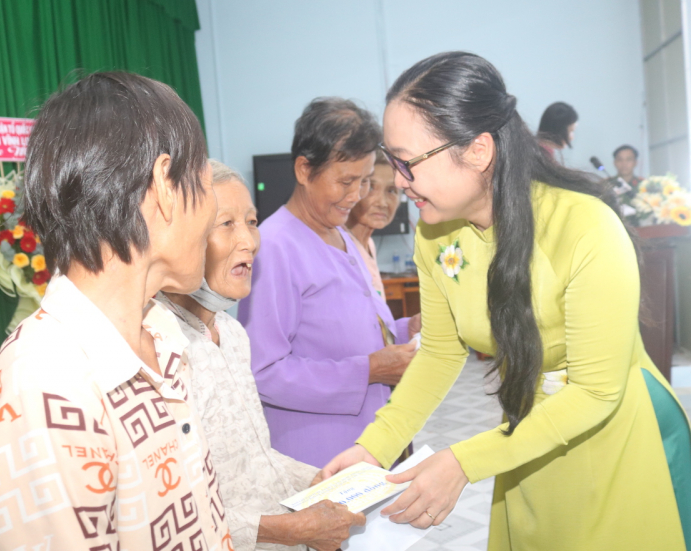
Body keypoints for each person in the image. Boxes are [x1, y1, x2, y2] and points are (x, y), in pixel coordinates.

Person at [323, 52, 691, 551]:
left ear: (478, 151)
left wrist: (463, 462)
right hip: (523, 435)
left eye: (406, 162)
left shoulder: (586, 228)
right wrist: (374, 447)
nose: (398, 181)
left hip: (615, 436)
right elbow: (440, 351)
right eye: (392, 161)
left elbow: (596, 393)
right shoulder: (436, 236)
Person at [0, 73, 232, 550]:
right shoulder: (43, 385)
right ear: (164, 187)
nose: (212, 212)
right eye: (207, 185)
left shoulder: (163, 332)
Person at [160, 160, 365, 551]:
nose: (250, 241)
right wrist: (287, 530)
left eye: (252, 222)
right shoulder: (157, 346)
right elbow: (170, 507)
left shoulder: (234, 334)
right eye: (226, 224)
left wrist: (317, 479)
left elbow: (255, 459)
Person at [238, 98, 419, 468]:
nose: (357, 196)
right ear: (304, 170)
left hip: (368, 440)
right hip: (317, 452)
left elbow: (350, 330)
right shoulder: (274, 248)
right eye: (346, 181)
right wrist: (369, 370)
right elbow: (264, 372)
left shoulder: (343, 236)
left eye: (365, 181)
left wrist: (403, 331)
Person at [345, 153, 405, 299]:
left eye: (391, 190)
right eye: (371, 187)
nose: (382, 203)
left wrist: (408, 323)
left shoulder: (369, 245)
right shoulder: (339, 247)